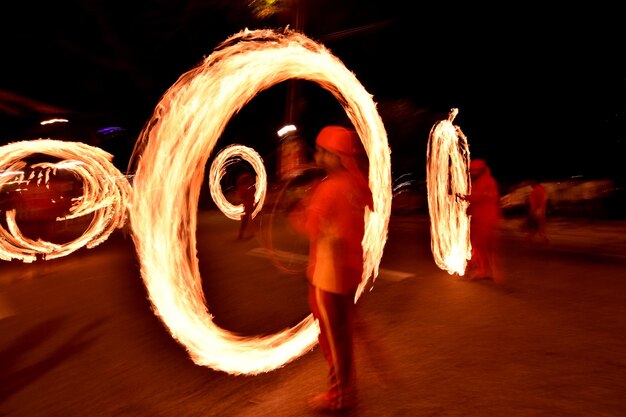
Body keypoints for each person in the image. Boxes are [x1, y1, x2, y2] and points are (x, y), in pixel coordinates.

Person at [288, 125, 373, 412]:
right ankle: (347, 390)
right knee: (343, 337)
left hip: (328, 278)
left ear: (337, 156)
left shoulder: (329, 189)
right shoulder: (357, 185)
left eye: (323, 151)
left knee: (333, 340)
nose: (317, 155)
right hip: (349, 273)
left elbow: (311, 228)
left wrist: (297, 212)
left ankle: (339, 397)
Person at [460, 159, 503, 283]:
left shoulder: (486, 182)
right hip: (482, 219)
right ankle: (487, 271)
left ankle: (487, 271)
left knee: (483, 247)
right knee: (481, 247)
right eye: (471, 171)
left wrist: (464, 197)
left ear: (480, 171)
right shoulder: (481, 181)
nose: (472, 173)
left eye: (474, 171)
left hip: (486, 220)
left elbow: (478, 197)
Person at [235, 172, 257, 240]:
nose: (252, 180)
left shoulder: (250, 187)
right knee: (246, 220)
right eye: (251, 179)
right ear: (248, 180)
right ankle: (241, 234)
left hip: (250, 205)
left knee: (250, 220)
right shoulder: (246, 188)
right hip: (247, 206)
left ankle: (249, 233)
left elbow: (243, 196)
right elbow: (241, 196)